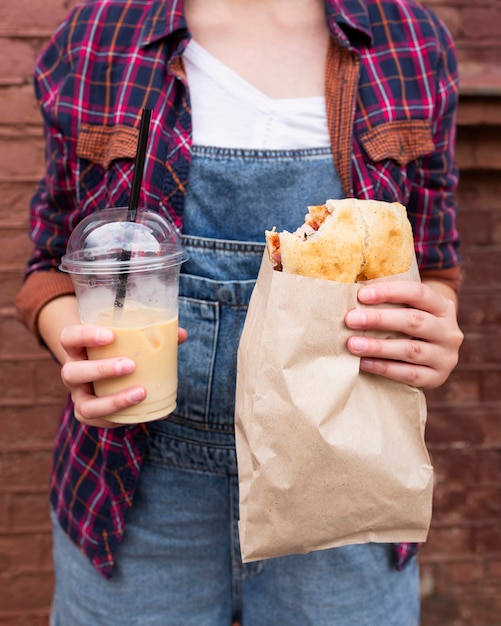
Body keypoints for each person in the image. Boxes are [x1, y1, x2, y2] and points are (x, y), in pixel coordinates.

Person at [16, 0, 464, 624]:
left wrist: (430, 330)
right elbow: (49, 266)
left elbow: (435, 264)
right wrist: (77, 341)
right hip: (134, 489)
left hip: (343, 484)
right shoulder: (98, 34)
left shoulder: (409, 39)